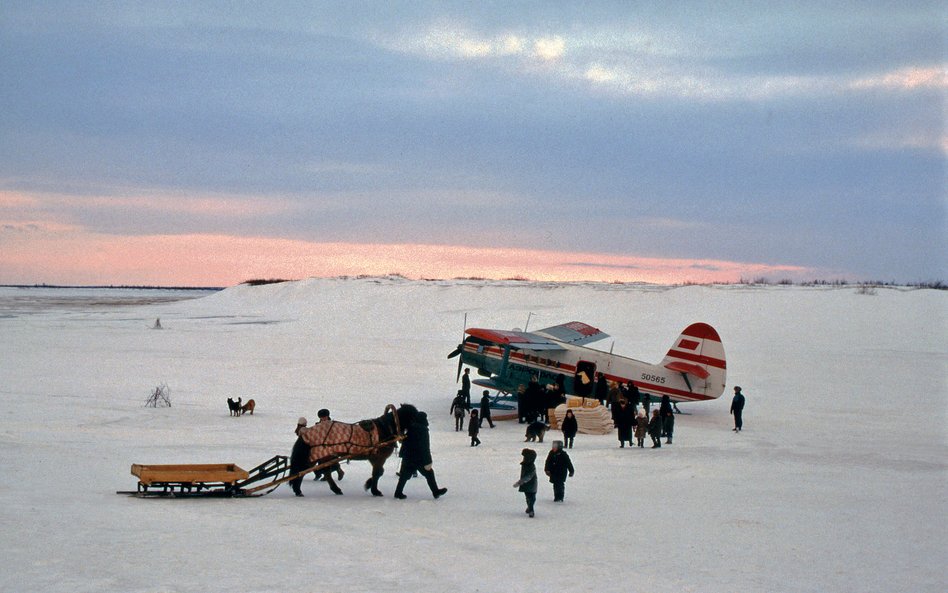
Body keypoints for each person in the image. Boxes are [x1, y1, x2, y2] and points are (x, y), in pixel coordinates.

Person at [394, 411, 447, 499]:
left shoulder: (411, 428)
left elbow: (405, 442)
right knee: (429, 474)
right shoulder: (423, 430)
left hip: (408, 456)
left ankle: (398, 492)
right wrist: (428, 460)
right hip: (419, 458)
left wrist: (403, 454)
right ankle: (435, 491)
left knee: (404, 476)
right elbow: (425, 446)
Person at [315, 409, 345, 481]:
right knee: (320, 460)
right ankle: (335, 471)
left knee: (329, 460)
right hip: (320, 445)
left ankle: (328, 474)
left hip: (330, 445)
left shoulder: (332, 425)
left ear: (327, 416)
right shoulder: (318, 425)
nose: (323, 419)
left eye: (324, 417)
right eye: (321, 417)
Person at [513, 448, 538, 518]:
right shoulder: (524, 464)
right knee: (528, 497)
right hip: (526, 484)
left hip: (532, 484)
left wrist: (520, 482)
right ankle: (530, 508)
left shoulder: (531, 466)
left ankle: (531, 509)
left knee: (532, 497)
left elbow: (529, 476)